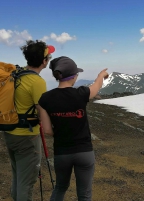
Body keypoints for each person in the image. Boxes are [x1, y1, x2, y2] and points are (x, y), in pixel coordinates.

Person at [38, 56, 109, 201]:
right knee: (84, 194)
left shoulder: (45, 99)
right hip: (84, 152)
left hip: (62, 152)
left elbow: (47, 130)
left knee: (60, 187)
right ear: (74, 76)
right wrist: (101, 75)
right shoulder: (81, 93)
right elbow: (96, 86)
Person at [4, 40, 55, 201]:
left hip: (10, 132)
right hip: (27, 136)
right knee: (27, 182)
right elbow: (42, 113)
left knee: (18, 176)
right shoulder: (37, 82)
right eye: (48, 57)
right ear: (43, 61)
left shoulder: (17, 74)